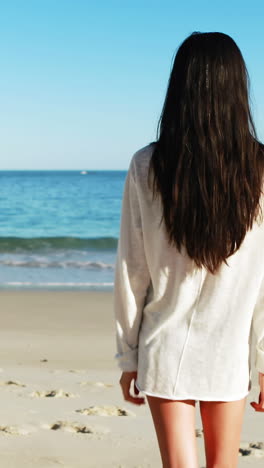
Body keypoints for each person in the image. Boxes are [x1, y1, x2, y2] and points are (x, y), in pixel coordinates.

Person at [113, 31, 264, 468]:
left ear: (179, 86)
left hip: (164, 344)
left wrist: (128, 355)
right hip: (228, 350)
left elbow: (132, 269)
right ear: (239, 88)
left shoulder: (148, 164)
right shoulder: (259, 170)